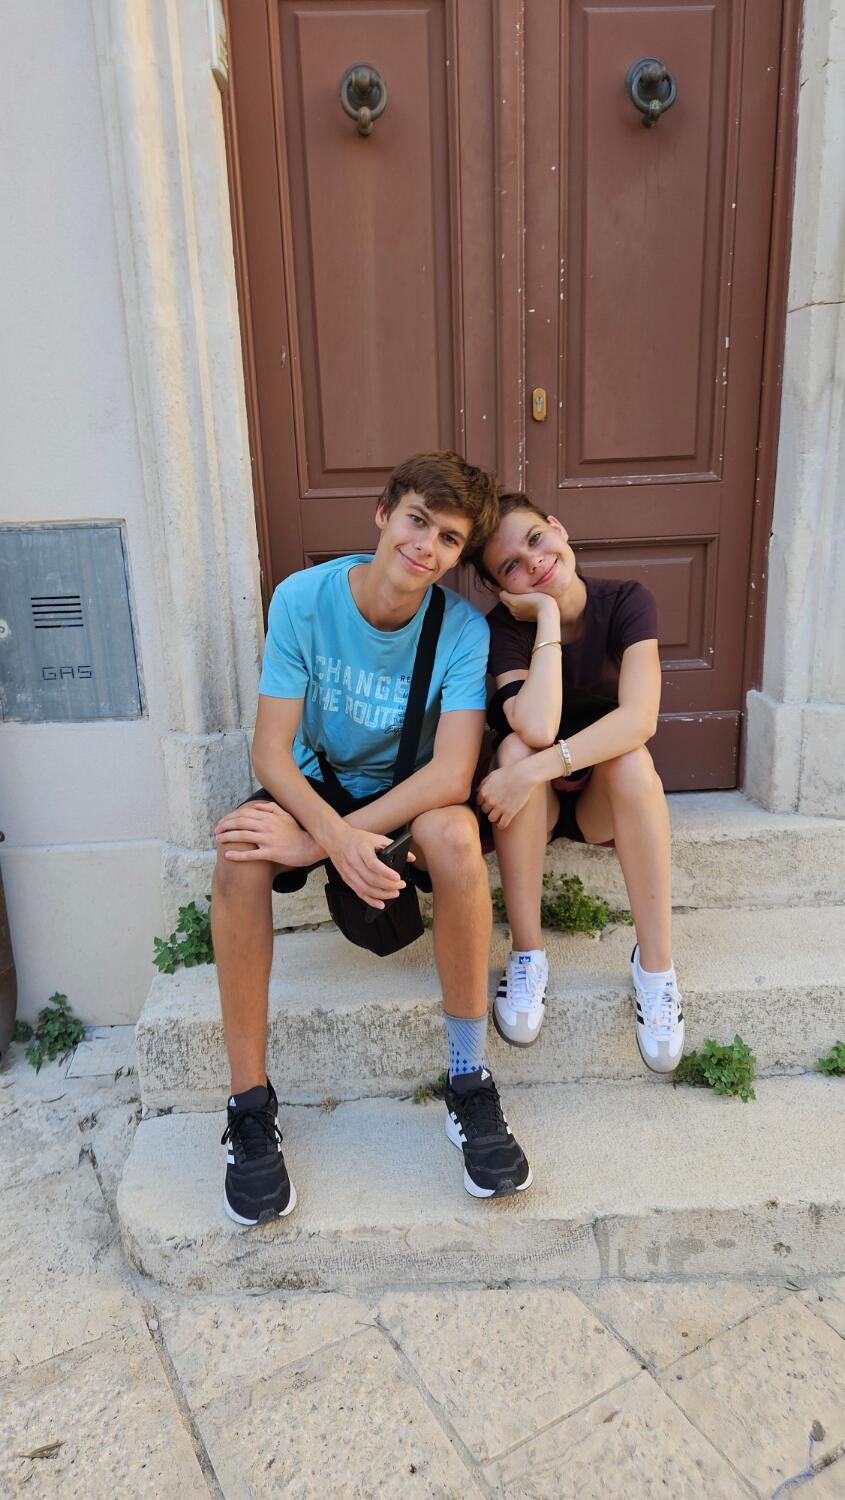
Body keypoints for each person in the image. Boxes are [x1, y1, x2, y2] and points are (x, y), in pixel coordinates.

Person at [211, 453, 532, 1226]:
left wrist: (319, 845)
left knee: (455, 837)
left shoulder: (459, 630)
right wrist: (322, 832)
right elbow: (270, 752)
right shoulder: (304, 599)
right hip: (316, 782)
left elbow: (451, 774)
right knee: (238, 858)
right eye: (418, 521)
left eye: (448, 539)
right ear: (384, 513)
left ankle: (468, 1083)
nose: (426, 547)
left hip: (408, 791)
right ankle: (249, 1108)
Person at [470, 492, 684, 1071]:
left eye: (535, 540)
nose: (534, 562)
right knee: (516, 745)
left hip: (598, 804)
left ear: (558, 528)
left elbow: (639, 718)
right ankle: (527, 954)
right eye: (512, 566)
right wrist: (545, 617)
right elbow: (536, 727)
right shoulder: (502, 629)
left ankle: (656, 969)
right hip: (530, 810)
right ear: (500, 588)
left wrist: (535, 768)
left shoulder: (627, 601)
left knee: (631, 757)